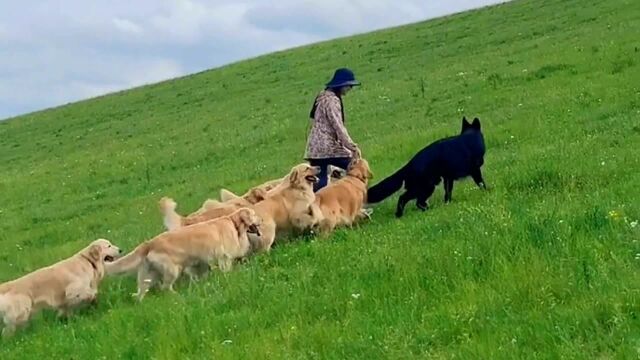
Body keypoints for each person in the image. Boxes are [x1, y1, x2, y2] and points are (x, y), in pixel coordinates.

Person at [304, 68, 362, 192]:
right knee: (356, 167)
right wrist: (352, 146)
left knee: (320, 183)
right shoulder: (332, 100)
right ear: (341, 85)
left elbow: (313, 119)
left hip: (315, 148)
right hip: (327, 147)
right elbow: (338, 126)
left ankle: (314, 207)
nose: (350, 88)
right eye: (349, 85)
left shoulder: (322, 96)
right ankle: (355, 197)